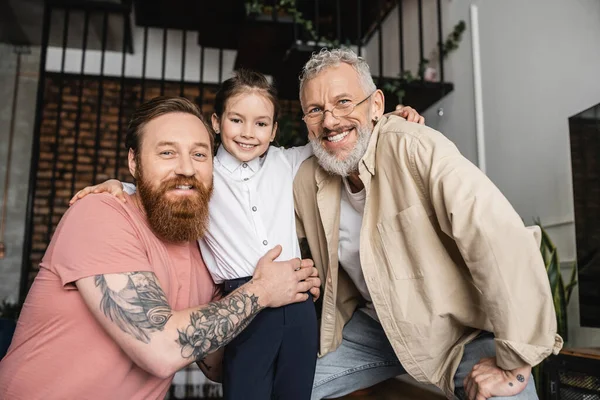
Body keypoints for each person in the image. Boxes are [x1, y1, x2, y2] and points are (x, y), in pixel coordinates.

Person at [71, 70, 424, 399]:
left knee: (297, 392)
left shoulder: (287, 162)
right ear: (216, 122)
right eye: (236, 120)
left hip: (299, 301)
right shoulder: (203, 171)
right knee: (245, 390)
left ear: (273, 131)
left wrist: (390, 119)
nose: (247, 132)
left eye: (260, 124)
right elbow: (160, 188)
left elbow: (339, 139)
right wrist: (118, 184)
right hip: (243, 302)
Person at [0, 97, 321, 399]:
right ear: (134, 162)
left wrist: (288, 299)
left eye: (199, 154)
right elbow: (161, 347)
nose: (186, 168)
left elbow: (216, 363)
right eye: (167, 153)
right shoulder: (100, 214)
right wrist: (262, 291)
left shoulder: (205, 253)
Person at [292, 48, 563, 400]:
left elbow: (497, 237)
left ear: (375, 105)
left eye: (344, 102)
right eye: (315, 110)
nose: (329, 121)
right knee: (281, 386)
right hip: (374, 329)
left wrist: (517, 364)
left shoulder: (416, 147)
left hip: (460, 334)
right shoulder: (307, 180)